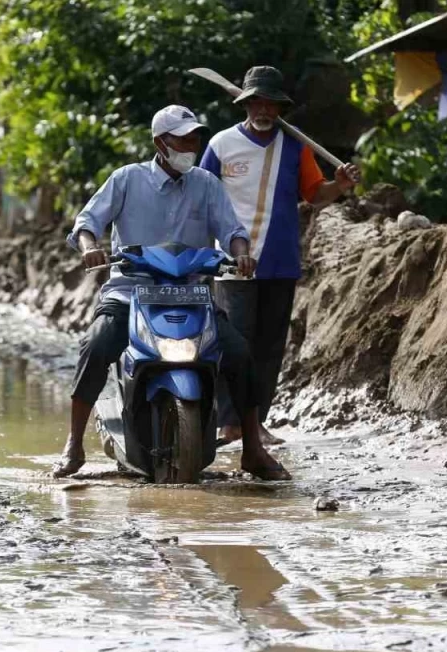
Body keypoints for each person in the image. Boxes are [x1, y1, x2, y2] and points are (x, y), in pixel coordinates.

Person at [51, 104, 291, 482]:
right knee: (97, 345)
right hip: (131, 292)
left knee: (240, 353)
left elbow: (232, 231)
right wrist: (88, 247)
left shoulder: (206, 184)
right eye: (183, 139)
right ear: (160, 143)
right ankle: (74, 443)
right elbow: (87, 222)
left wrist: (242, 255)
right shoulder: (126, 179)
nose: (192, 145)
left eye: (195, 138)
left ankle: (253, 450)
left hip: (192, 294)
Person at [200, 66, 361, 446]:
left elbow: (315, 196)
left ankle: (255, 423)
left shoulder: (295, 147)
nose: (264, 110)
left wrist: (338, 185)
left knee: (269, 347)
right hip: (231, 263)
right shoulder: (221, 145)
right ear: (246, 103)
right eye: (257, 101)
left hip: (280, 261)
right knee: (234, 342)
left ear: (280, 109)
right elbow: (200, 198)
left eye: (271, 104)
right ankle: (229, 422)